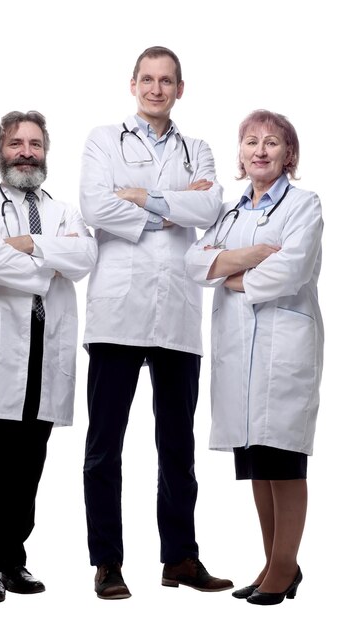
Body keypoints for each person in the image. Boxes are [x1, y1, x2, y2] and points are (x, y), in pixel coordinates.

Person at [80, 45, 233, 600]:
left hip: (177, 313)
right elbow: (97, 209)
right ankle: (107, 562)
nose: (156, 89)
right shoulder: (104, 139)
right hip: (117, 312)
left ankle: (181, 559)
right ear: (133, 84)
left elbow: (211, 210)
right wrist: (173, 207)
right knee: (105, 447)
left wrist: (140, 196)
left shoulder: (200, 148)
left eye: (166, 81)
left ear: (180, 89)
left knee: (177, 447)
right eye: (148, 79)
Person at [0, 110, 97, 603]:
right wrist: (47, 265)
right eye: (17, 143)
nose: (26, 152)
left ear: (45, 153)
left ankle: (13, 561)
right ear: (1, 150)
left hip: (45, 350)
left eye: (35, 144)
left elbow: (84, 259)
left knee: (26, 464)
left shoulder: (62, 211)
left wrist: (31, 244)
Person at [185, 109, 324, 606]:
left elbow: (293, 267)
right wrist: (248, 258)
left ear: (289, 154)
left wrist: (237, 276)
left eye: (272, 142)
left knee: (284, 460)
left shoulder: (304, 205)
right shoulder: (229, 211)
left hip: (282, 348)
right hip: (239, 351)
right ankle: (272, 562)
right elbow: (195, 262)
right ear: (241, 154)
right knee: (258, 462)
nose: (260, 150)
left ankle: (284, 566)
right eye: (250, 142)